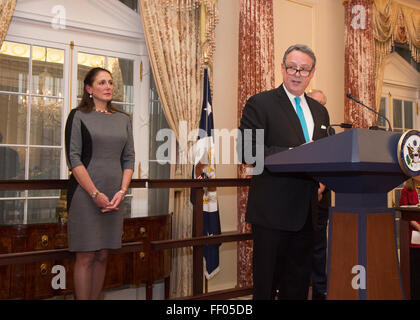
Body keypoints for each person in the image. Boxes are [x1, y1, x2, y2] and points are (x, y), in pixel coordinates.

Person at [238, 44, 330, 299]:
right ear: (282, 68)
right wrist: (294, 151)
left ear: (312, 73)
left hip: (308, 216)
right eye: (292, 67)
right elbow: (248, 151)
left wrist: (324, 179)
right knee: (265, 289)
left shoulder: (320, 110)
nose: (297, 74)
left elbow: (324, 153)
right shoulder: (260, 103)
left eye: (303, 69)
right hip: (271, 215)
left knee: (298, 288)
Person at [64, 67, 135, 300]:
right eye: (102, 82)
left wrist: (121, 192)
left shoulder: (123, 119)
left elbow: (129, 158)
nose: (108, 87)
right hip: (85, 196)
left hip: (115, 197)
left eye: (111, 82)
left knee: (103, 254)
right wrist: (95, 194)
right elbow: (73, 158)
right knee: (85, 256)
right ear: (89, 89)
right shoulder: (78, 116)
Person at [307, 89, 330, 300]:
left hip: (321, 203)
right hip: (299, 201)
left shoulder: (329, 133)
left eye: (321, 104)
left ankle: (320, 292)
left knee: (318, 250)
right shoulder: (300, 128)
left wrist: (321, 187)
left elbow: (331, 165)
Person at [399, 177, 420, 299]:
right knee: (415, 274)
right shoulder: (406, 190)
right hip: (414, 238)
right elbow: (405, 213)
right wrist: (418, 227)